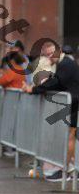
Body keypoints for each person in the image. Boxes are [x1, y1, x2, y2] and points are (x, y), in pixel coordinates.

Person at [22, 44, 79, 182]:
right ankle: (70, 170)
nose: (49, 57)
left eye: (51, 54)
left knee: (70, 136)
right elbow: (56, 82)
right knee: (70, 136)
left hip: (73, 103)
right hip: (71, 103)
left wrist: (33, 89)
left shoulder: (66, 64)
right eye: (46, 55)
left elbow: (55, 83)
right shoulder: (65, 63)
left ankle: (66, 171)